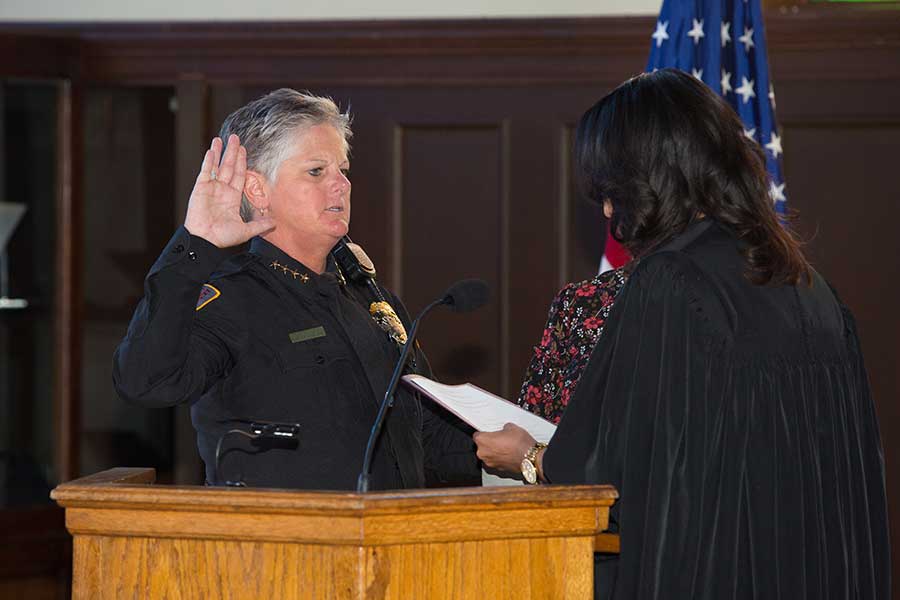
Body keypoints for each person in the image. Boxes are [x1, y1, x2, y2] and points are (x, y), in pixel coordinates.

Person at [474, 69, 890, 599]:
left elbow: (619, 468)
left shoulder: (671, 282)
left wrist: (529, 458)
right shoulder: (809, 286)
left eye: (611, 189)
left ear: (651, 176)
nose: (606, 210)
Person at [113, 89, 479, 491]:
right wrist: (194, 245)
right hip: (281, 547)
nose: (341, 185)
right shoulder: (230, 301)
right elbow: (144, 382)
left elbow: (427, 433)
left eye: (342, 169)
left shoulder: (371, 299)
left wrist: (530, 455)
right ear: (257, 190)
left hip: (389, 540)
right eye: (316, 171)